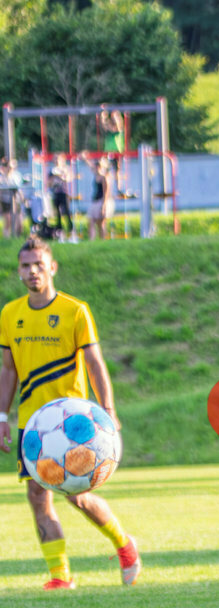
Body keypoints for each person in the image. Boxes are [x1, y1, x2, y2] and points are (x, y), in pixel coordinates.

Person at [0, 236, 140, 590]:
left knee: (77, 496)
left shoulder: (75, 310)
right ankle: (60, 576)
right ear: (18, 271)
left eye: (38, 264)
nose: (32, 271)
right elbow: (8, 370)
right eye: (25, 266)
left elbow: (94, 362)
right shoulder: (10, 314)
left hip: (74, 424)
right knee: (37, 496)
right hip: (33, 426)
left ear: (52, 267)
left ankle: (124, 545)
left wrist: (108, 409)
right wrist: (2, 417)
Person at [87, 157, 114, 241]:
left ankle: (103, 240)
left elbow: (106, 192)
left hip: (103, 201)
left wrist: (104, 205)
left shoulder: (105, 177)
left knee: (101, 223)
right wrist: (85, 158)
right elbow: (90, 166)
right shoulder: (96, 176)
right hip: (95, 201)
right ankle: (91, 240)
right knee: (91, 221)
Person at [48, 154, 75, 240]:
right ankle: (59, 232)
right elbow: (49, 183)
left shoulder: (66, 169)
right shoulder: (52, 171)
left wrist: (61, 175)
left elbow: (69, 179)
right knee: (57, 214)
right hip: (56, 193)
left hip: (64, 193)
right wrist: (53, 178)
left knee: (66, 212)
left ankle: (71, 230)